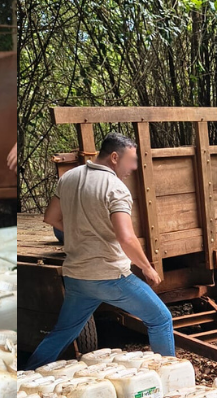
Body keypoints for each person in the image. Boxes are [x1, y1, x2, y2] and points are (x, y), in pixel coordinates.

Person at [23, 133, 175, 369]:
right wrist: (147, 268)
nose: (134, 167)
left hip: (78, 276)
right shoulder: (116, 188)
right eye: (131, 160)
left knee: (62, 333)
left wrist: (77, 233)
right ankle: (172, 380)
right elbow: (126, 237)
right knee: (161, 319)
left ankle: (26, 375)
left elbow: (51, 217)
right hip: (110, 276)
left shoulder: (69, 178)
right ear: (115, 157)